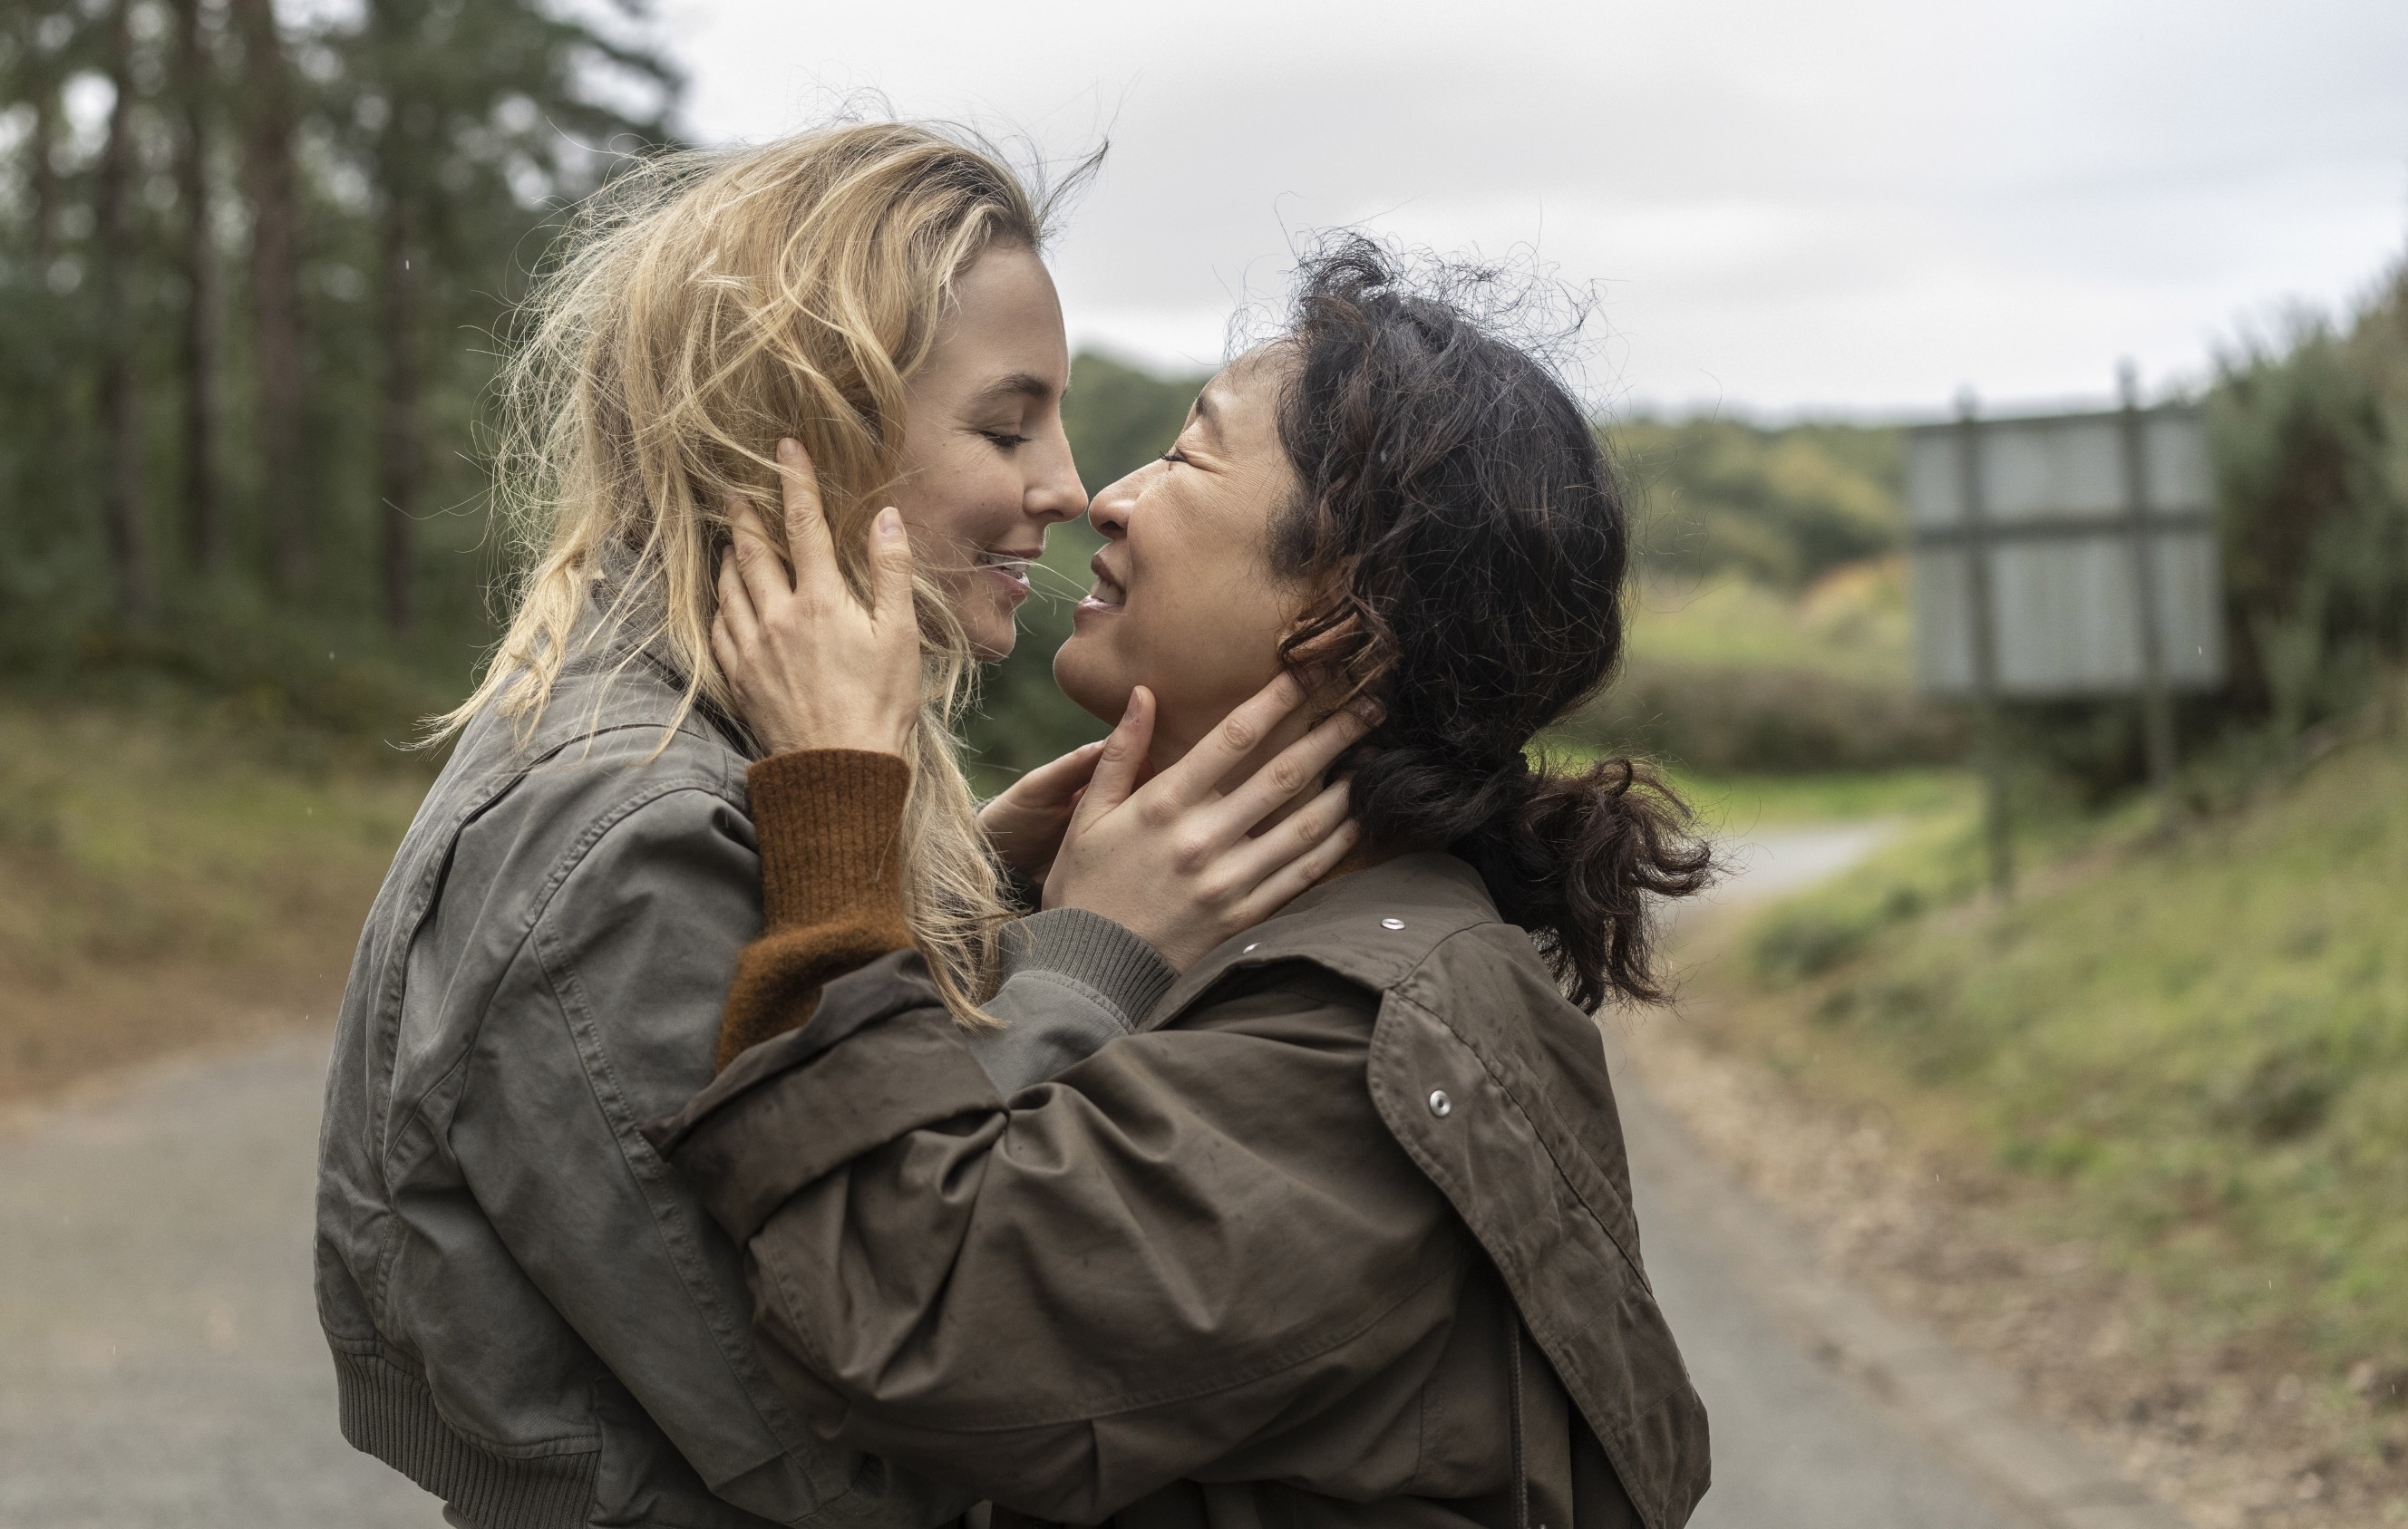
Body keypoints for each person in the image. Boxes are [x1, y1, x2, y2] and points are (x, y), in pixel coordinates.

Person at [313, 124, 1366, 1529]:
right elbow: (875, 1449)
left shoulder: (696, 774)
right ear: (801, 441)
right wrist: (1088, 959)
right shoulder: (632, 841)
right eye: (1004, 425)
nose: (1067, 483)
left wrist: (956, 882)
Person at [647, 237, 1718, 1529]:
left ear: (1344, 605)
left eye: (1192, 456)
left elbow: (895, 1312)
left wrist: (841, 800)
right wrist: (986, 889)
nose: (1106, 497)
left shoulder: (1365, 1044)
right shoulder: (1292, 942)